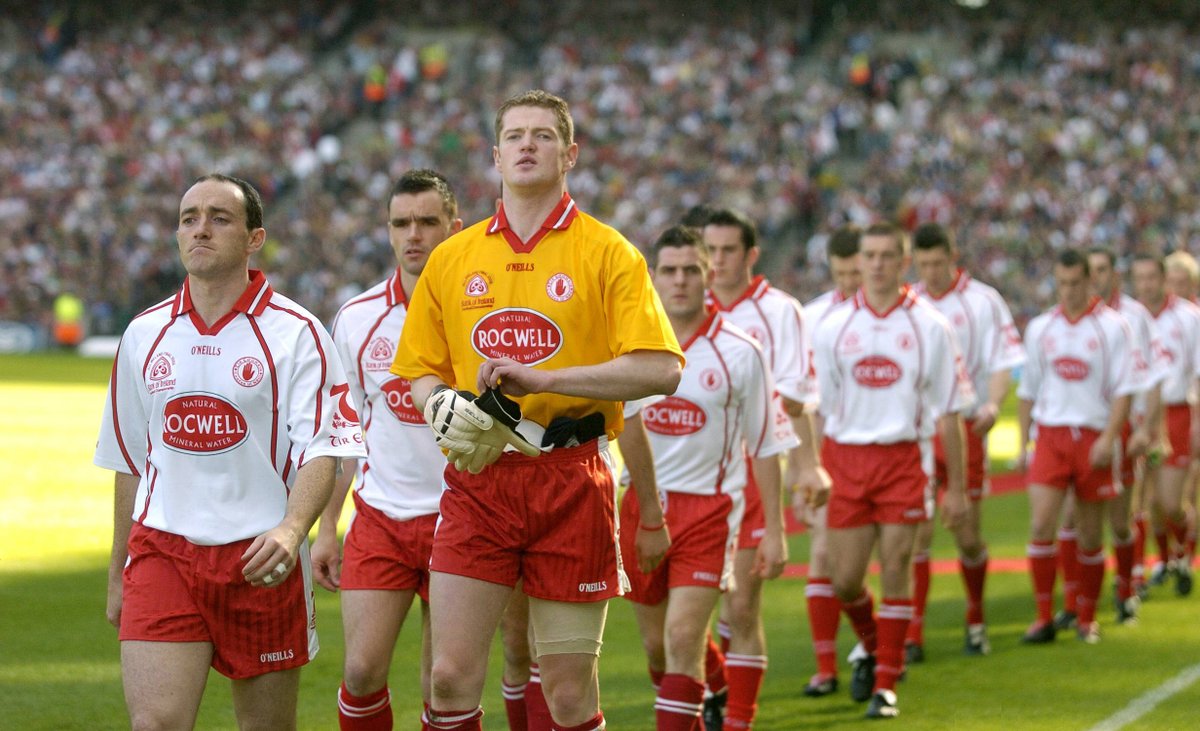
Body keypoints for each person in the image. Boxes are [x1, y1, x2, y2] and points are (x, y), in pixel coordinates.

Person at [390, 89, 684, 731]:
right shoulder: (453, 256)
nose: (528, 144)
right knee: (448, 677)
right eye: (515, 136)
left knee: (569, 695)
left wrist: (545, 377)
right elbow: (416, 371)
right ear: (495, 156)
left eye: (543, 135)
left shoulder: (608, 251)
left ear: (570, 153)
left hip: (571, 478)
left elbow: (662, 367)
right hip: (479, 483)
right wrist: (441, 403)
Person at [95, 173, 366, 730]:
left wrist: (293, 530)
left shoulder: (297, 332)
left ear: (253, 238)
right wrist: (120, 566)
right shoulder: (144, 334)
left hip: (261, 558)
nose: (200, 229)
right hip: (163, 551)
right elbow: (129, 459)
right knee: (155, 724)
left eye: (219, 218)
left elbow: (323, 449)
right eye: (189, 217)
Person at [620, 225, 801, 730]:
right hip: (639, 506)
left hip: (708, 511)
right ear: (653, 277)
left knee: (682, 638)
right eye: (670, 271)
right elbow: (624, 425)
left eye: (691, 270)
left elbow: (765, 445)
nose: (680, 281)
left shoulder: (742, 351)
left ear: (709, 274)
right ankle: (704, 702)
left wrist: (776, 533)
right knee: (658, 647)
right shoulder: (630, 345)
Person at [310, 169, 463, 729]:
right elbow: (341, 434)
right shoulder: (356, 318)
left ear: (455, 226)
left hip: (464, 520)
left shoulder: (478, 319)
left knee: (445, 679)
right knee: (362, 671)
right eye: (402, 223)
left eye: (428, 221)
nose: (414, 235)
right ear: (388, 230)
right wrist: (328, 527)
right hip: (380, 519)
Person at [811, 221, 972, 719]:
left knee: (898, 567)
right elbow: (820, 410)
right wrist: (812, 470)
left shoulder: (930, 326)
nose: (877, 264)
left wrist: (959, 489)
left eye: (887, 255)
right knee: (845, 580)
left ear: (902, 261)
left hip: (904, 459)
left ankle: (885, 685)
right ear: (859, 261)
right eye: (870, 256)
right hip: (846, 460)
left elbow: (949, 412)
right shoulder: (834, 327)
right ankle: (877, 644)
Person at [701, 207, 828, 730]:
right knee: (670, 613)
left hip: (752, 469)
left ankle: (735, 715)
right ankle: (719, 682)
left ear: (751, 255)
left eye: (729, 250)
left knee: (740, 605)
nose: (718, 261)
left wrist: (807, 465)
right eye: (710, 250)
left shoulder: (780, 311)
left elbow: (796, 397)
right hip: (689, 470)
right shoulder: (681, 303)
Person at [907, 223, 1026, 659]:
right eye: (924, 264)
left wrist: (993, 405)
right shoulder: (909, 303)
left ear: (953, 256)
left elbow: (1004, 360)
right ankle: (913, 633)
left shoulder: (983, 301)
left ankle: (975, 616)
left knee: (967, 535)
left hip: (965, 429)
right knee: (916, 535)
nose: (932, 272)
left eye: (939, 262)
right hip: (919, 434)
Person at [1017, 249, 1145, 645]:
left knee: (1090, 534)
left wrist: (1109, 436)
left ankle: (1086, 616)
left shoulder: (1113, 327)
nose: (1069, 291)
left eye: (1076, 283)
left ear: (1090, 281)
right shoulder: (1040, 328)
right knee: (1042, 524)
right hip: (1052, 435)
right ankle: (1043, 617)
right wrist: (1026, 441)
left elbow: (1125, 389)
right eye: (1062, 283)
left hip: (1092, 436)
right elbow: (1029, 389)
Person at [1046, 247, 1162, 629]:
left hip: (1123, 427)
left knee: (1119, 519)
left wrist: (1146, 428)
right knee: (1069, 516)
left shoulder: (1132, 317)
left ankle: (1127, 588)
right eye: (1088, 270)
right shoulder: (1063, 320)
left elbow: (1150, 376)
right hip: (1078, 432)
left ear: (1112, 274)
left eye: (1100, 270)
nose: (1093, 277)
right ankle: (1074, 599)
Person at [797, 225, 861, 696]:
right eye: (842, 274)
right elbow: (805, 400)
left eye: (856, 272)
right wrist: (804, 464)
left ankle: (882, 645)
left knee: (887, 560)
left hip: (891, 454)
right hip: (831, 451)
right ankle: (827, 667)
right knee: (824, 555)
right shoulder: (814, 317)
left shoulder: (910, 318)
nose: (851, 283)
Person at [1131, 254, 1199, 599]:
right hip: (1141, 417)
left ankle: (1184, 555)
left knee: (1172, 502)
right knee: (1144, 499)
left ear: (1162, 280)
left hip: (1177, 413)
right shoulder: (1128, 318)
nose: (1145, 286)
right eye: (1138, 279)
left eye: (1151, 278)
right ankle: (1149, 568)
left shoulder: (1189, 318)